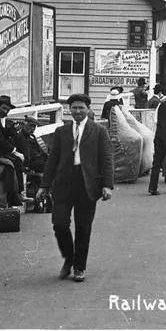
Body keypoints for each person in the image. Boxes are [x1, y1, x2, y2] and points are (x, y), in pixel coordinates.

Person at [36, 94, 114, 283]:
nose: (77, 111)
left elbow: (106, 159)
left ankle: (79, 267)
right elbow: (52, 161)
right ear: (69, 110)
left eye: (81, 108)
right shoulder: (61, 132)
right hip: (64, 183)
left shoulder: (99, 131)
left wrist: (107, 185)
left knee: (83, 227)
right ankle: (68, 258)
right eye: (74, 108)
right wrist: (44, 186)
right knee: (59, 224)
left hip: (87, 184)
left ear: (88, 109)